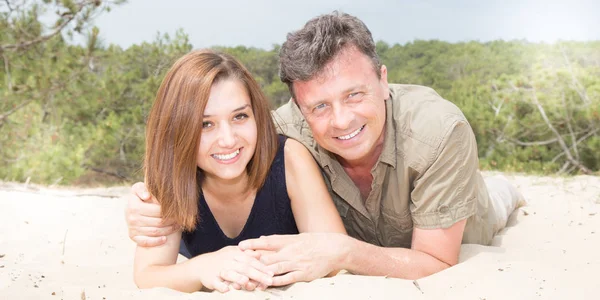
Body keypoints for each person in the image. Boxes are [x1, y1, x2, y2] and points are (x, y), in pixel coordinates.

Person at [125, 11, 524, 286]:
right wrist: (141, 202)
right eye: (319, 105)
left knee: (495, 202)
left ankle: (507, 189)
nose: (341, 120)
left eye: (354, 94)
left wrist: (341, 253)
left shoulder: (439, 132)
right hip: (358, 237)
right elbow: (220, 148)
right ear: (299, 108)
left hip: (455, 224)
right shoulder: (272, 133)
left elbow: (437, 262)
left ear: (383, 81)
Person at [132, 49, 345, 293]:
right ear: (178, 129)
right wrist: (203, 267)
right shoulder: (168, 174)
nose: (228, 139)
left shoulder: (290, 159)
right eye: (206, 124)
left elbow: (336, 259)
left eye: (240, 116)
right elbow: (147, 275)